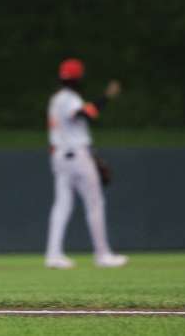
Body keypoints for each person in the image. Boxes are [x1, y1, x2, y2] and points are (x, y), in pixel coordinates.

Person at [44, 58, 128, 269]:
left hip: (59, 156)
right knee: (95, 203)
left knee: (62, 205)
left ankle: (53, 254)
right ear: (77, 78)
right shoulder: (69, 98)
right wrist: (107, 96)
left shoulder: (55, 99)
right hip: (77, 156)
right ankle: (102, 254)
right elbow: (86, 114)